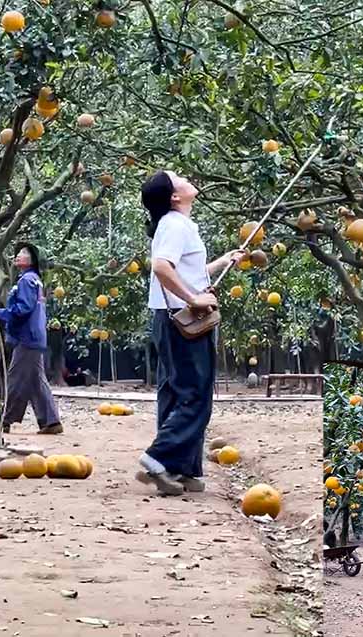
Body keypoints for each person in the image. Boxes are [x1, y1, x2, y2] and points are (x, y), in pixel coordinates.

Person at [135, 170, 245, 495]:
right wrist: (194, 298)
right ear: (174, 196)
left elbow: (181, 269)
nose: (185, 177)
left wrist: (219, 264)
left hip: (170, 320)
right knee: (196, 395)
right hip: (182, 323)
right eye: (177, 177)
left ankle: (181, 469)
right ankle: (159, 457)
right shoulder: (174, 224)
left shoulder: (178, 225)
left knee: (175, 391)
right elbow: (161, 267)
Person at [0, 243, 63, 434]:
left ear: (32, 260)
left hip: (27, 337)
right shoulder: (36, 280)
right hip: (36, 336)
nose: (18, 255)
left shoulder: (26, 281)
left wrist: (1, 313)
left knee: (15, 378)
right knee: (35, 381)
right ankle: (51, 422)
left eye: (23, 253)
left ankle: (4, 420)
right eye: (18, 252)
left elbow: (23, 308)